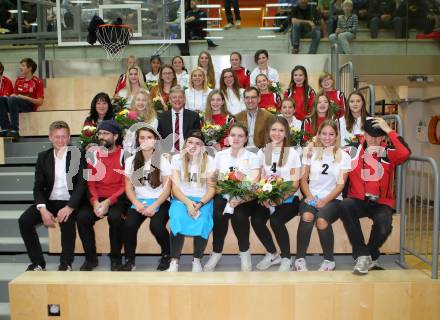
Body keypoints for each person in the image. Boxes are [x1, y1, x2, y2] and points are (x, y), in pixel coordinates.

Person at [340, 118, 411, 275]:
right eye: (370, 135)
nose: (374, 139)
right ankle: (362, 254)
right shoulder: (352, 150)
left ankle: (368, 254)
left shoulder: (388, 152)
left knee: (385, 224)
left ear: (383, 137)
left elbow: (405, 153)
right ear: (364, 134)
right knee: (345, 205)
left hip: (381, 202)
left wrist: (389, 130)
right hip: (358, 199)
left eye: (378, 136)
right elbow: (330, 151)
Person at [18, 121, 85, 271]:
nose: (61, 141)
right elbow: (38, 187)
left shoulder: (78, 155)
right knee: (24, 221)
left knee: (67, 222)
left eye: (64, 137)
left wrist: (70, 207)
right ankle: (38, 262)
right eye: (57, 137)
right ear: (50, 137)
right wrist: (42, 209)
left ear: (69, 137)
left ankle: (66, 263)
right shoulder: (43, 157)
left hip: (69, 200)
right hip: (48, 201)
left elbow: (82, 184)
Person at [294, 120, 351, 271]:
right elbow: (303, 179)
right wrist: (310, 197)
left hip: (333, 200)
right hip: (311, 196)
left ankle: (329, 260)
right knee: (307, 215)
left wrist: (325, 200)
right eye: (324, 133)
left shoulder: (344, 156)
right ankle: (299, 259)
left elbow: (340, 185)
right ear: (318, 135)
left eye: (331, 134)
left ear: (337, 136)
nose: (327, 137)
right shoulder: (310, 152)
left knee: (321, 220)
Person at [203, 124, 260, 271]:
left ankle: (245, 253)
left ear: (246, 139)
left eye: (240, 136)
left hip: (246, 197)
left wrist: (240, 199)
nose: (236, 138)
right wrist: (221, 189)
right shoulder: (220, 155)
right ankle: (216, 253)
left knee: (239, 216)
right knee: (218, 214)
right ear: (228, 137)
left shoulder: (253, 157)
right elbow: (212, 180)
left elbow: (254, 185)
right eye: (233, 135)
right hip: (224, 194)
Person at [76, 120, 126, 271]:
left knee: (116, 218)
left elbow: (126, 186)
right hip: (96, 197)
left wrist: (108, 202)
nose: (102, 136)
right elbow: (89, 181)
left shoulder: (125, 155)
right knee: (82, 217)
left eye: (106, 133)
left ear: (116, 136)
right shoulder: (91, 154)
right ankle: (91, 259)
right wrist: (95, 202)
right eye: (100, 133)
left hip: (117, 198)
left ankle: (116, 258)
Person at [253, 117, 301, 271]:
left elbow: (295, 184)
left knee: (276, 220)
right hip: (268, 197)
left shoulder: (292, 153)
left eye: (281, 130)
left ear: (286, 133)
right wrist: (263, 196)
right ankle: (273, 253)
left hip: (289, 199)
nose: (277, 133)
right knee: (256, 219)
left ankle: (287, 257)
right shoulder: (263, 152)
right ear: (268, 132)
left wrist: (280, 198)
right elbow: (259, 178)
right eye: (274, 130)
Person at [122, 126, 172, 271]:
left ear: (155, 140)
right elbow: (129, 188)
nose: (145, 141)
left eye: (149, 137)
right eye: (142, 138)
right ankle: (130, 260)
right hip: (139, 201)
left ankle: (166, 255)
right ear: (138, 140)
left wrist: (153, 206)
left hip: (160, 201)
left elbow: (167, 189)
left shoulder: (163, 160)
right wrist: (137, 203)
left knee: (156, 226)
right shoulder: (131, 161)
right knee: (129, 225)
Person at [167, 130, 216, 272]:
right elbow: (175, 189)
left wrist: (199, 204)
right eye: (190, 142)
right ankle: (174, 261)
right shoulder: (177, 159)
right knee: (178, 218)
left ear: (202, 147)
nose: (193, 146)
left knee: (203, 220)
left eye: (198, 143)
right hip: (181, 198)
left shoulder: (210, 161)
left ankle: (197, 260)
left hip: (202, 200)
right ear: (185, 144)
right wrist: (189, 204)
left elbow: (211, 190)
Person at [0, 58, 44, 141]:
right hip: (16, 104)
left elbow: (40, 102)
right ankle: (5, 129)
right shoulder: (19, 80)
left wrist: (25, 97)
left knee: (13, 99)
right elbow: (14, 94)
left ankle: (14, 130)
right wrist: (9, 97)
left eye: (23, 66)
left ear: (30, 68)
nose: (20, 68)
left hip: (29, 106)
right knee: (1, 100)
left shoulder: (37, 81)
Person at [157, 86, 201, 152]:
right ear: (169, 100)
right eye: (174, 97)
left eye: (180, 97)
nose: (177, 100)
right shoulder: (162, 117)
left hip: (187, 153)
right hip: (167, 153)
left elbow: (197, 138)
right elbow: (159, 138)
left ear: (184, 99)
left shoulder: (193, 116)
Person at [124, 90, 159, 155]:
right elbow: (126, 141)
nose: (141, 103)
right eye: (138, 100)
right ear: (134, 102)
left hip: (147, 153)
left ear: (148, 102)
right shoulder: (129, 118)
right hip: (131, 154)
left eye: (144, 100)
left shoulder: (153, 120)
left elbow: (152, 140)